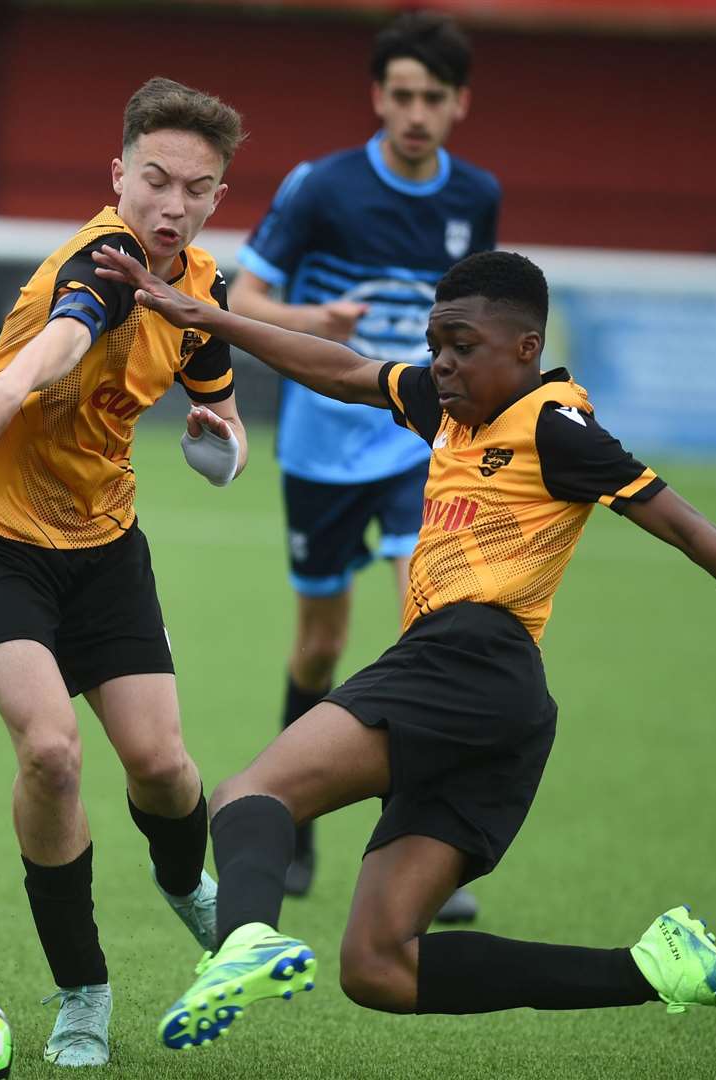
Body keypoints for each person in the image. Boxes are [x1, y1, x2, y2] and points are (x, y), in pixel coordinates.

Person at [89, 244, 716, 1048]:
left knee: (250, 797)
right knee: (380, 967)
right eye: (435, 346)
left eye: (463, 347)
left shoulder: (558, 429)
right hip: (503, 707)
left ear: (527, 349)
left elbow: (694, 533)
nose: (442, 364)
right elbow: (347, 372)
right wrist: (210, 319)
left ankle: (245, 940)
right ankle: (658, 966)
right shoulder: (451, 405)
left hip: (469, 657)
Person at [0, 77, 248, 1067]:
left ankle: (187, 883)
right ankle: (82, 991)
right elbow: (70, 333)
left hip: (105, 546)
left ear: (216, 199)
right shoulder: (103, 262)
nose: (171, 205)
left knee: (161, 766)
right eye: (154, 180)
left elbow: (219, 403)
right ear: (119, 176)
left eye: (196, 189)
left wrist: (217, 442)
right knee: (53, 753)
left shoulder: (201, 286)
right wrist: (2, 392)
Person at [227, 11, 499, 916]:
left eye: (434, 97)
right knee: (322, 643)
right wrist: (316, 324)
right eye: (402, 94)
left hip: (426, 445)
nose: (416, 112)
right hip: (322, 443)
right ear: (379, 96)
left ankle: (423, 850)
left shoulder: (476, 198)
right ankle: (292, 819)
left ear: (460, 104)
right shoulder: (323, 187)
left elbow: (481, 321)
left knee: (435, 632)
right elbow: (246, 293)